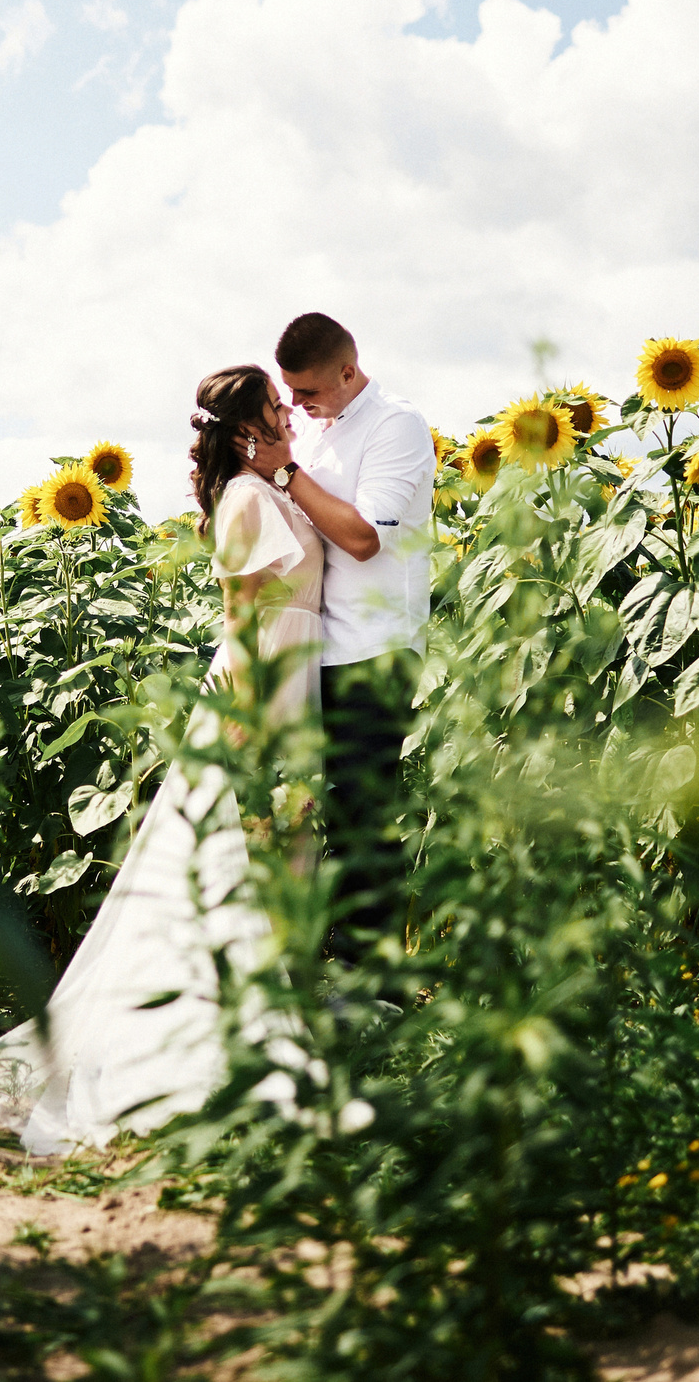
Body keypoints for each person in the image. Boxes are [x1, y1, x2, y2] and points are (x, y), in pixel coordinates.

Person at [0, 364, 322, 1155]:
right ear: (246, 433)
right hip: (259, 700)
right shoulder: (245, 501)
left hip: (290, 697)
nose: (290, 421)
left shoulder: (271, 494)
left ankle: (259, 1045)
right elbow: (242, 626)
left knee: (264, 873)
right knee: (234, 872)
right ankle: (215, 1059)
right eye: (278, 411)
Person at [238, 312, 434, 950]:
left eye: (309, 392)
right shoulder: (320, 437)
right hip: (315, 653)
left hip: (374, 650)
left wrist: (288, 472)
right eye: (289, 393)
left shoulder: (395, 426)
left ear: (349, 371)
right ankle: (326, 960)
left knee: (362, 816)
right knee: (310, 812)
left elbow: (361, 538)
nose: (296, 406)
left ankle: (371, 987)